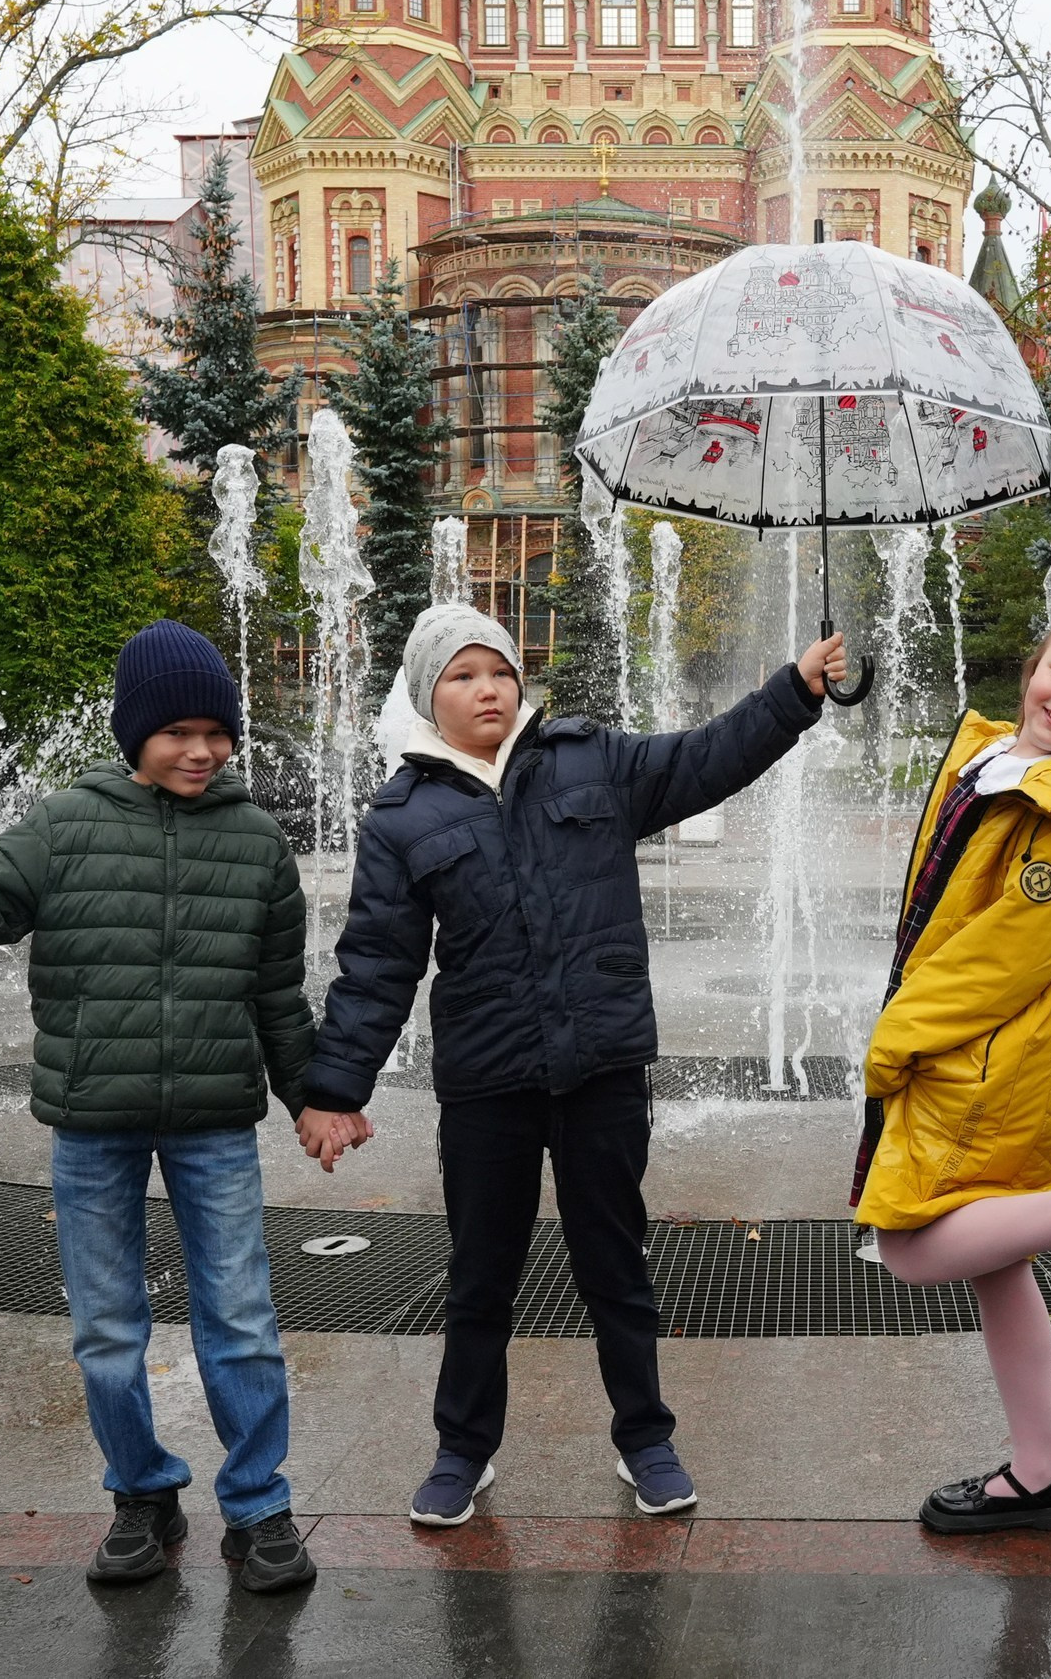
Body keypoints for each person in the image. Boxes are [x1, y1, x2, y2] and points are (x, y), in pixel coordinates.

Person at [301, 602, 847, 1527]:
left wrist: (793, 693)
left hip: (600, 1068)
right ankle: (462, 1449)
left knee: (615, 1263)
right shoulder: (401, 816)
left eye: (501, 671)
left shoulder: (592, 759)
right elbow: (377, 962)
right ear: (428, 695)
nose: (488, 688)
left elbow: (706, 756)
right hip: (488, 1084)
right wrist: (333, 1090)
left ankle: (646, 1437)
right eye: (464, 675)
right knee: (481, 1273)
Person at [0, 620, 319, 1593]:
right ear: (135, 733)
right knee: (108, 1326)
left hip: (213, 1120)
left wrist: (317, 1097)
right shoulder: (64, 824)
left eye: (218, 732)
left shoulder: (257, 843)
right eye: (178, 731)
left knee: (241, 1317)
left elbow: (277, 998)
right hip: (93, 1122)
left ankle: (259, 1507)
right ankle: (141, 1493)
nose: (202, 750)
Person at [851, 577, 1051, 1537]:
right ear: (1034, 663)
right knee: (999, 1263)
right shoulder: (1008, 761)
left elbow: (1002, 957)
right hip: (990, 1046)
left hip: (986, 1054)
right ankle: (1043, 1472)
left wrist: (897, 1038)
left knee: (909, 1244)